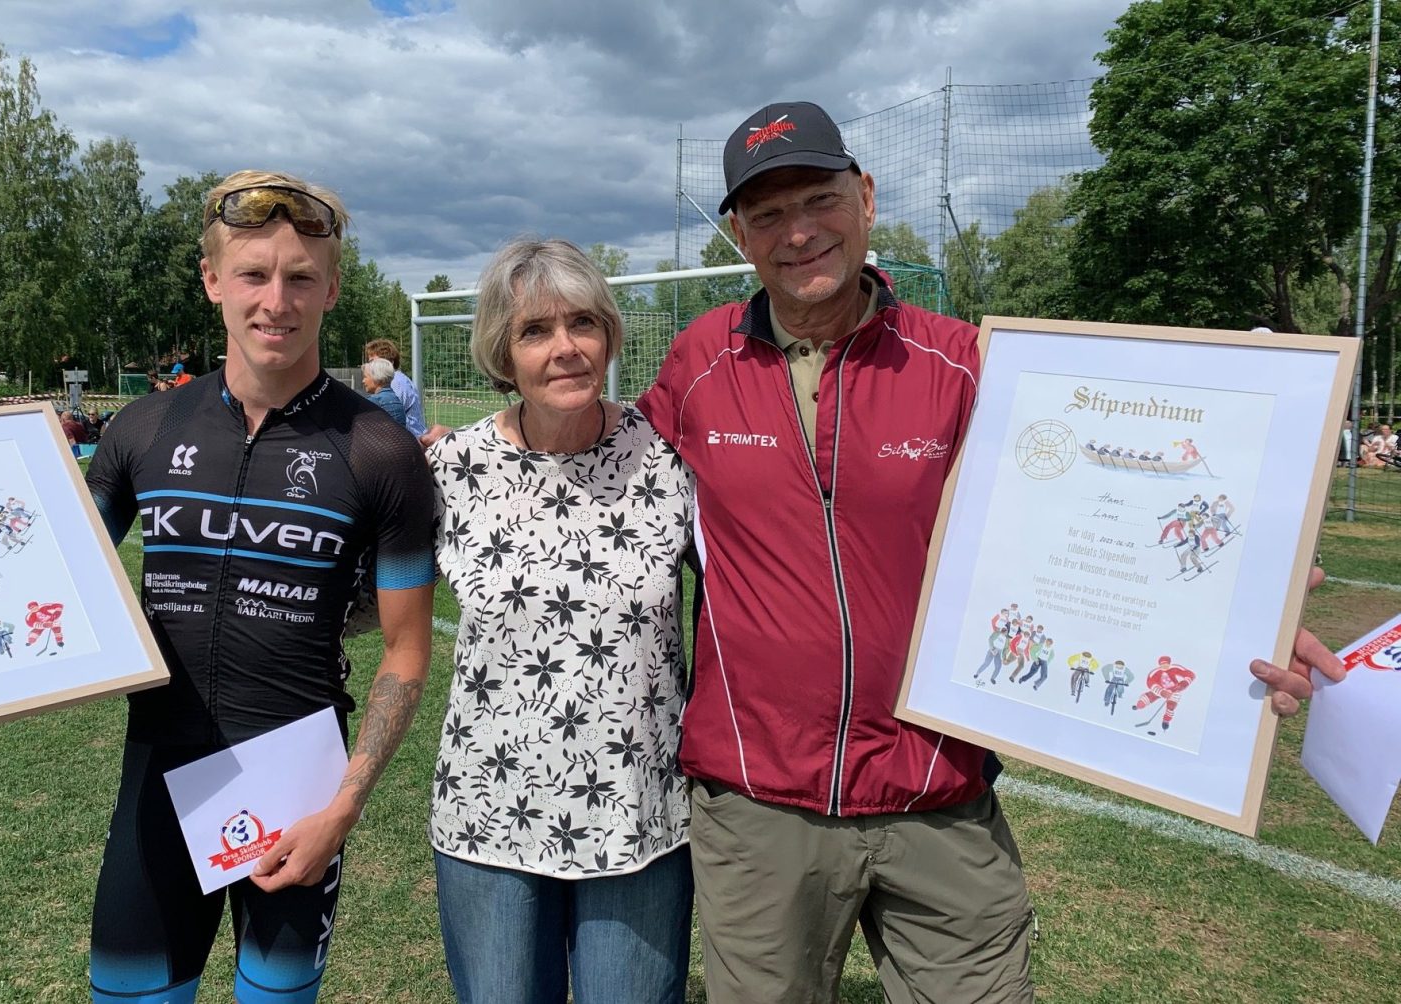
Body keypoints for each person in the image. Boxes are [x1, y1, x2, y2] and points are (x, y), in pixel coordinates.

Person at [634, 99, 1343, 1004]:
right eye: (768, 214)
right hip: (759, 803)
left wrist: (1246, 605)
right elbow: (603, 488)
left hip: (937, 791)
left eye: (819, 200)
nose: (799, 232)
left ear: (866, 198)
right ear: (739, 233)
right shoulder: (698, 363)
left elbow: (1099, 513)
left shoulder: (971, 364)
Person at [83, 169, 436, 1004]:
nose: (277, 301)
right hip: (157, 773)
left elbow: (407, 650)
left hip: (299, 792)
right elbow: (49, 571)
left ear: (331, 290)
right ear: (212, 280)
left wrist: (342, 808)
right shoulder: (142, 427)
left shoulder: (380, 450)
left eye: (301, 277)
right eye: (253, 274)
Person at [427, 238, 693, 1003]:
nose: (566, 347)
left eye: (583, 322)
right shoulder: (453, 470)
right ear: (502, 352)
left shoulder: (668, 457)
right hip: (489, 814)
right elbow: (358, 606)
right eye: (535, 330)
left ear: (609, 335)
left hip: (638, 815)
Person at [365, 337, 426, 437]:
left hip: (409, 439)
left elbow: (391, 415)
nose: (370, 366)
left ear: (389, 361)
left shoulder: (395, 382)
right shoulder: (397, 379)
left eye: (373, 362)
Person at [360, 357, 409, 428]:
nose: (363, 381)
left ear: (376, 377)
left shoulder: (375, 401)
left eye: (365, 377)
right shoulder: (395, 398)